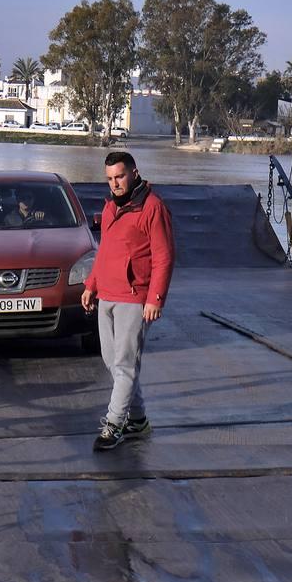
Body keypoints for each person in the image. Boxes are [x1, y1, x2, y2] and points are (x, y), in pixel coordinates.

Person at [81, 151, 175, 451]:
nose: (115, 184)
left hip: (135, 298)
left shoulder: (153, 208)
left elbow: (164, 257)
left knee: (124, 364)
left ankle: (114, 424)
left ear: (134, 173)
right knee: (113, 362)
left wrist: (155, 298)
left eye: (119, 176)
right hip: (106, 294)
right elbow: (105, 251)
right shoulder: (110, 208)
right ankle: (138, 419)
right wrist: (91, 285)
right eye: (109, 179)